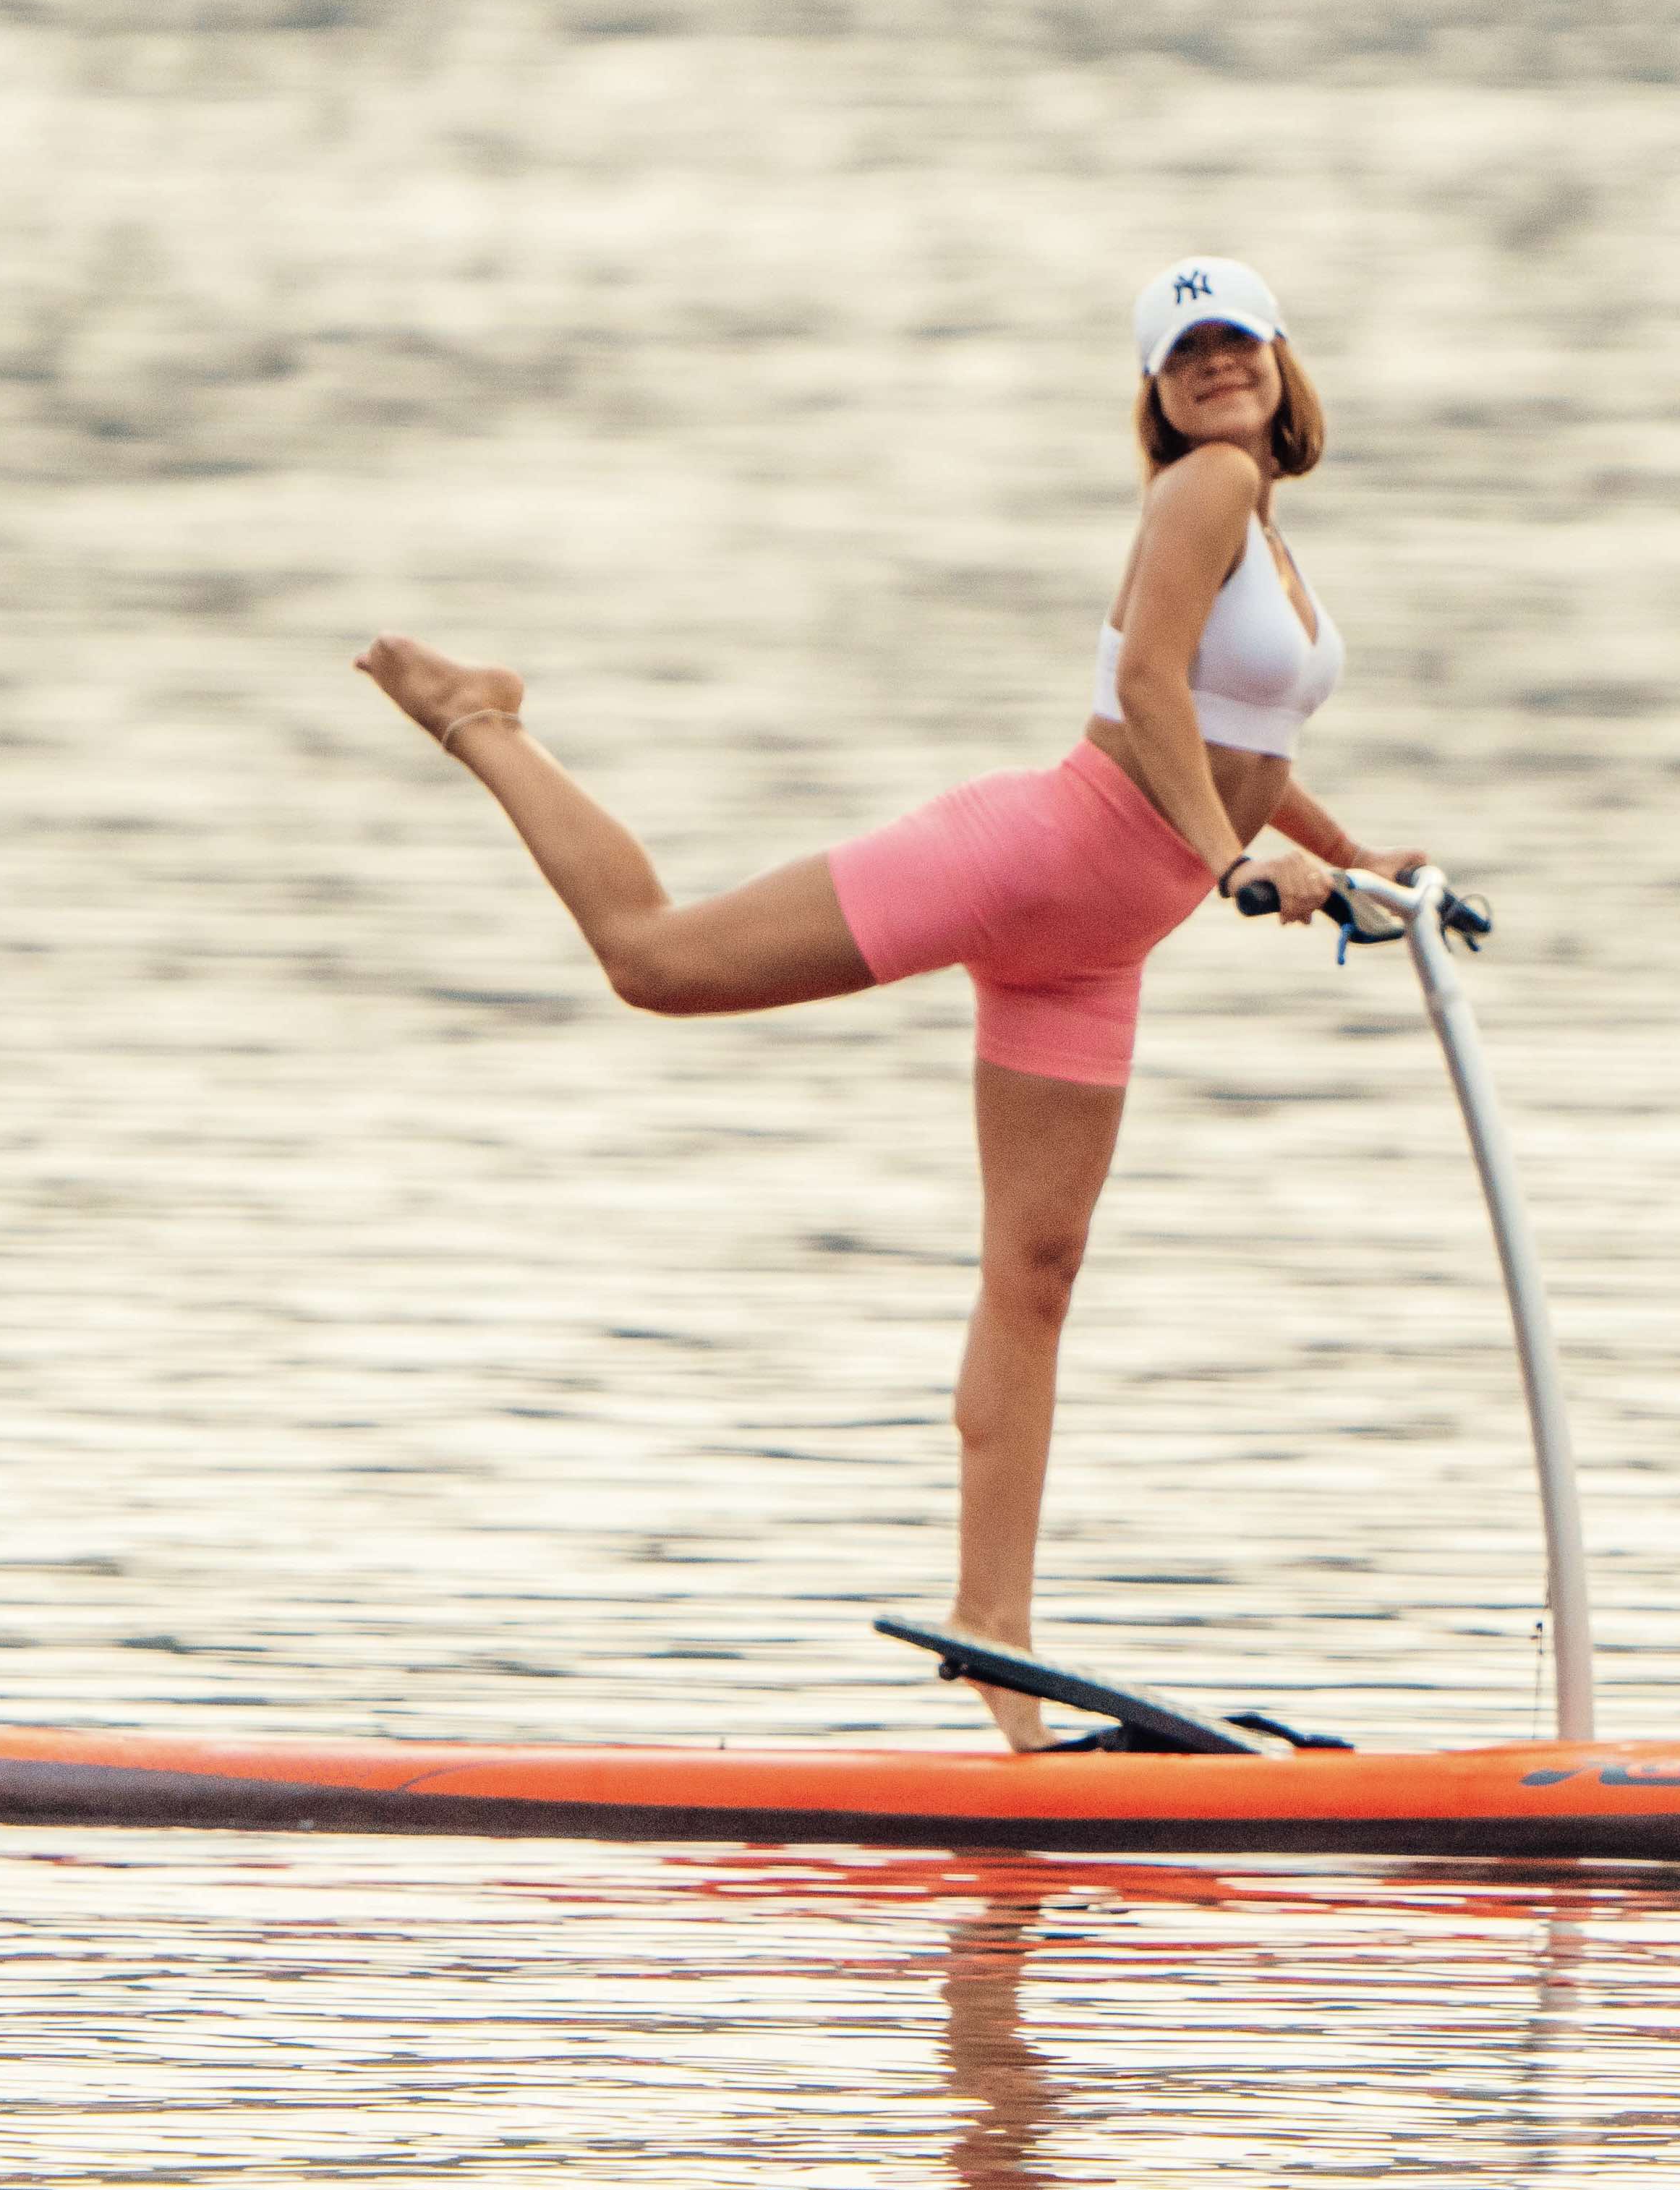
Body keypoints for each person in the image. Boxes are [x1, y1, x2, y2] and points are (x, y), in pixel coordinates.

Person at [355, 256, 1425, 1748]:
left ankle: (998, 1645)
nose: (1216, 366)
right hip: (1038, 859)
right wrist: (1236, 859)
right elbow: (1153, 695)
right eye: (1185, 354)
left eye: (1236, 339)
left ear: (1280, 355)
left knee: (1033, 1275)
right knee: (655, 959)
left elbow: (1247, 730)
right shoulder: (1205, 491)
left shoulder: (1260, 516)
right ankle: (480, 717)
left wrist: (1346, 852)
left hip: (1096, 942)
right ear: (1156, 392)